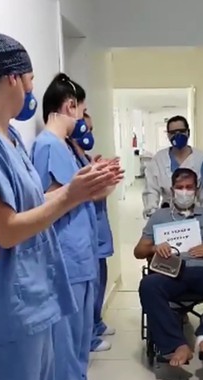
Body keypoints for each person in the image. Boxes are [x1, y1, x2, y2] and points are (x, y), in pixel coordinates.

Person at [0, 34, 115, 380]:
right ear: (12, 78)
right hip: (6, 311)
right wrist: (70, 196)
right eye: (30, 81)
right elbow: (6, 229)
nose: (32, 92)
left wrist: (81, 187)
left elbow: (34, 203)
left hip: (36, 301)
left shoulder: (9, 137)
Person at [31, 73, 123, 380]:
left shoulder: (66, 148)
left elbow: (78, 192)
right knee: (67, 331)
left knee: (82, 327)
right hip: (65, 253)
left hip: (81, 249)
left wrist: (98, 179)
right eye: (81, 110)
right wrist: (85, 185)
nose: (82, 118)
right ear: (70, 106)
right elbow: (46, 199)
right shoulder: (47, 146)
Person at [135, 168, 203, 367]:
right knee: (148, 285)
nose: (184, 192)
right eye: (180, 187)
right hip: (170, 274)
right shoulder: (159, 216)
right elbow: (139, 251)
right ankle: (176, 345)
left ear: (196, 189)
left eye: (189, 187)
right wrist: (155, 247)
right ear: (172, 190)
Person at [72, 112, 116, 353]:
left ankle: (96, 323)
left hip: (97, 226)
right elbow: (85, 194)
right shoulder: (66, 154)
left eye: (91, 129)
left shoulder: (85, 157)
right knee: (92, 283)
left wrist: (102, 171)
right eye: (85, 128)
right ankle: (90, 335)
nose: (88, 134)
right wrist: (106, 181)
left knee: (101, 275)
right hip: (85, 230)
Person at [142, 116, 203, 218]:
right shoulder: (159, 159)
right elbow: (151, 189)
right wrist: (152, 212)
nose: (177, 136)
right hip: (167, 213)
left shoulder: (201, 159)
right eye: (173, 133)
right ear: (168, 135)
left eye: (181, 131)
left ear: (188, 132)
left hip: (196, 214)